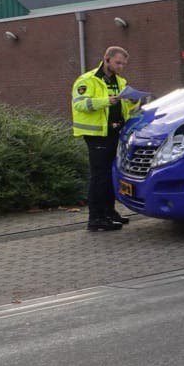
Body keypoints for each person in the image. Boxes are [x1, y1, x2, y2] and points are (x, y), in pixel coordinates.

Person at [71, 46, 145, 232]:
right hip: (97, 136)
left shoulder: (120, 81)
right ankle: (96, 219)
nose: (121, 67)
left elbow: (127, 109)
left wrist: (134, 101)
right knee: (99, 177)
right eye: (118, 63)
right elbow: (80, 104)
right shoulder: (87, 80)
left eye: (123, 64)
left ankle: (109, 213)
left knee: (111, 175)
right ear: (106, 59)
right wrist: (105, 101)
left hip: (116, 133)